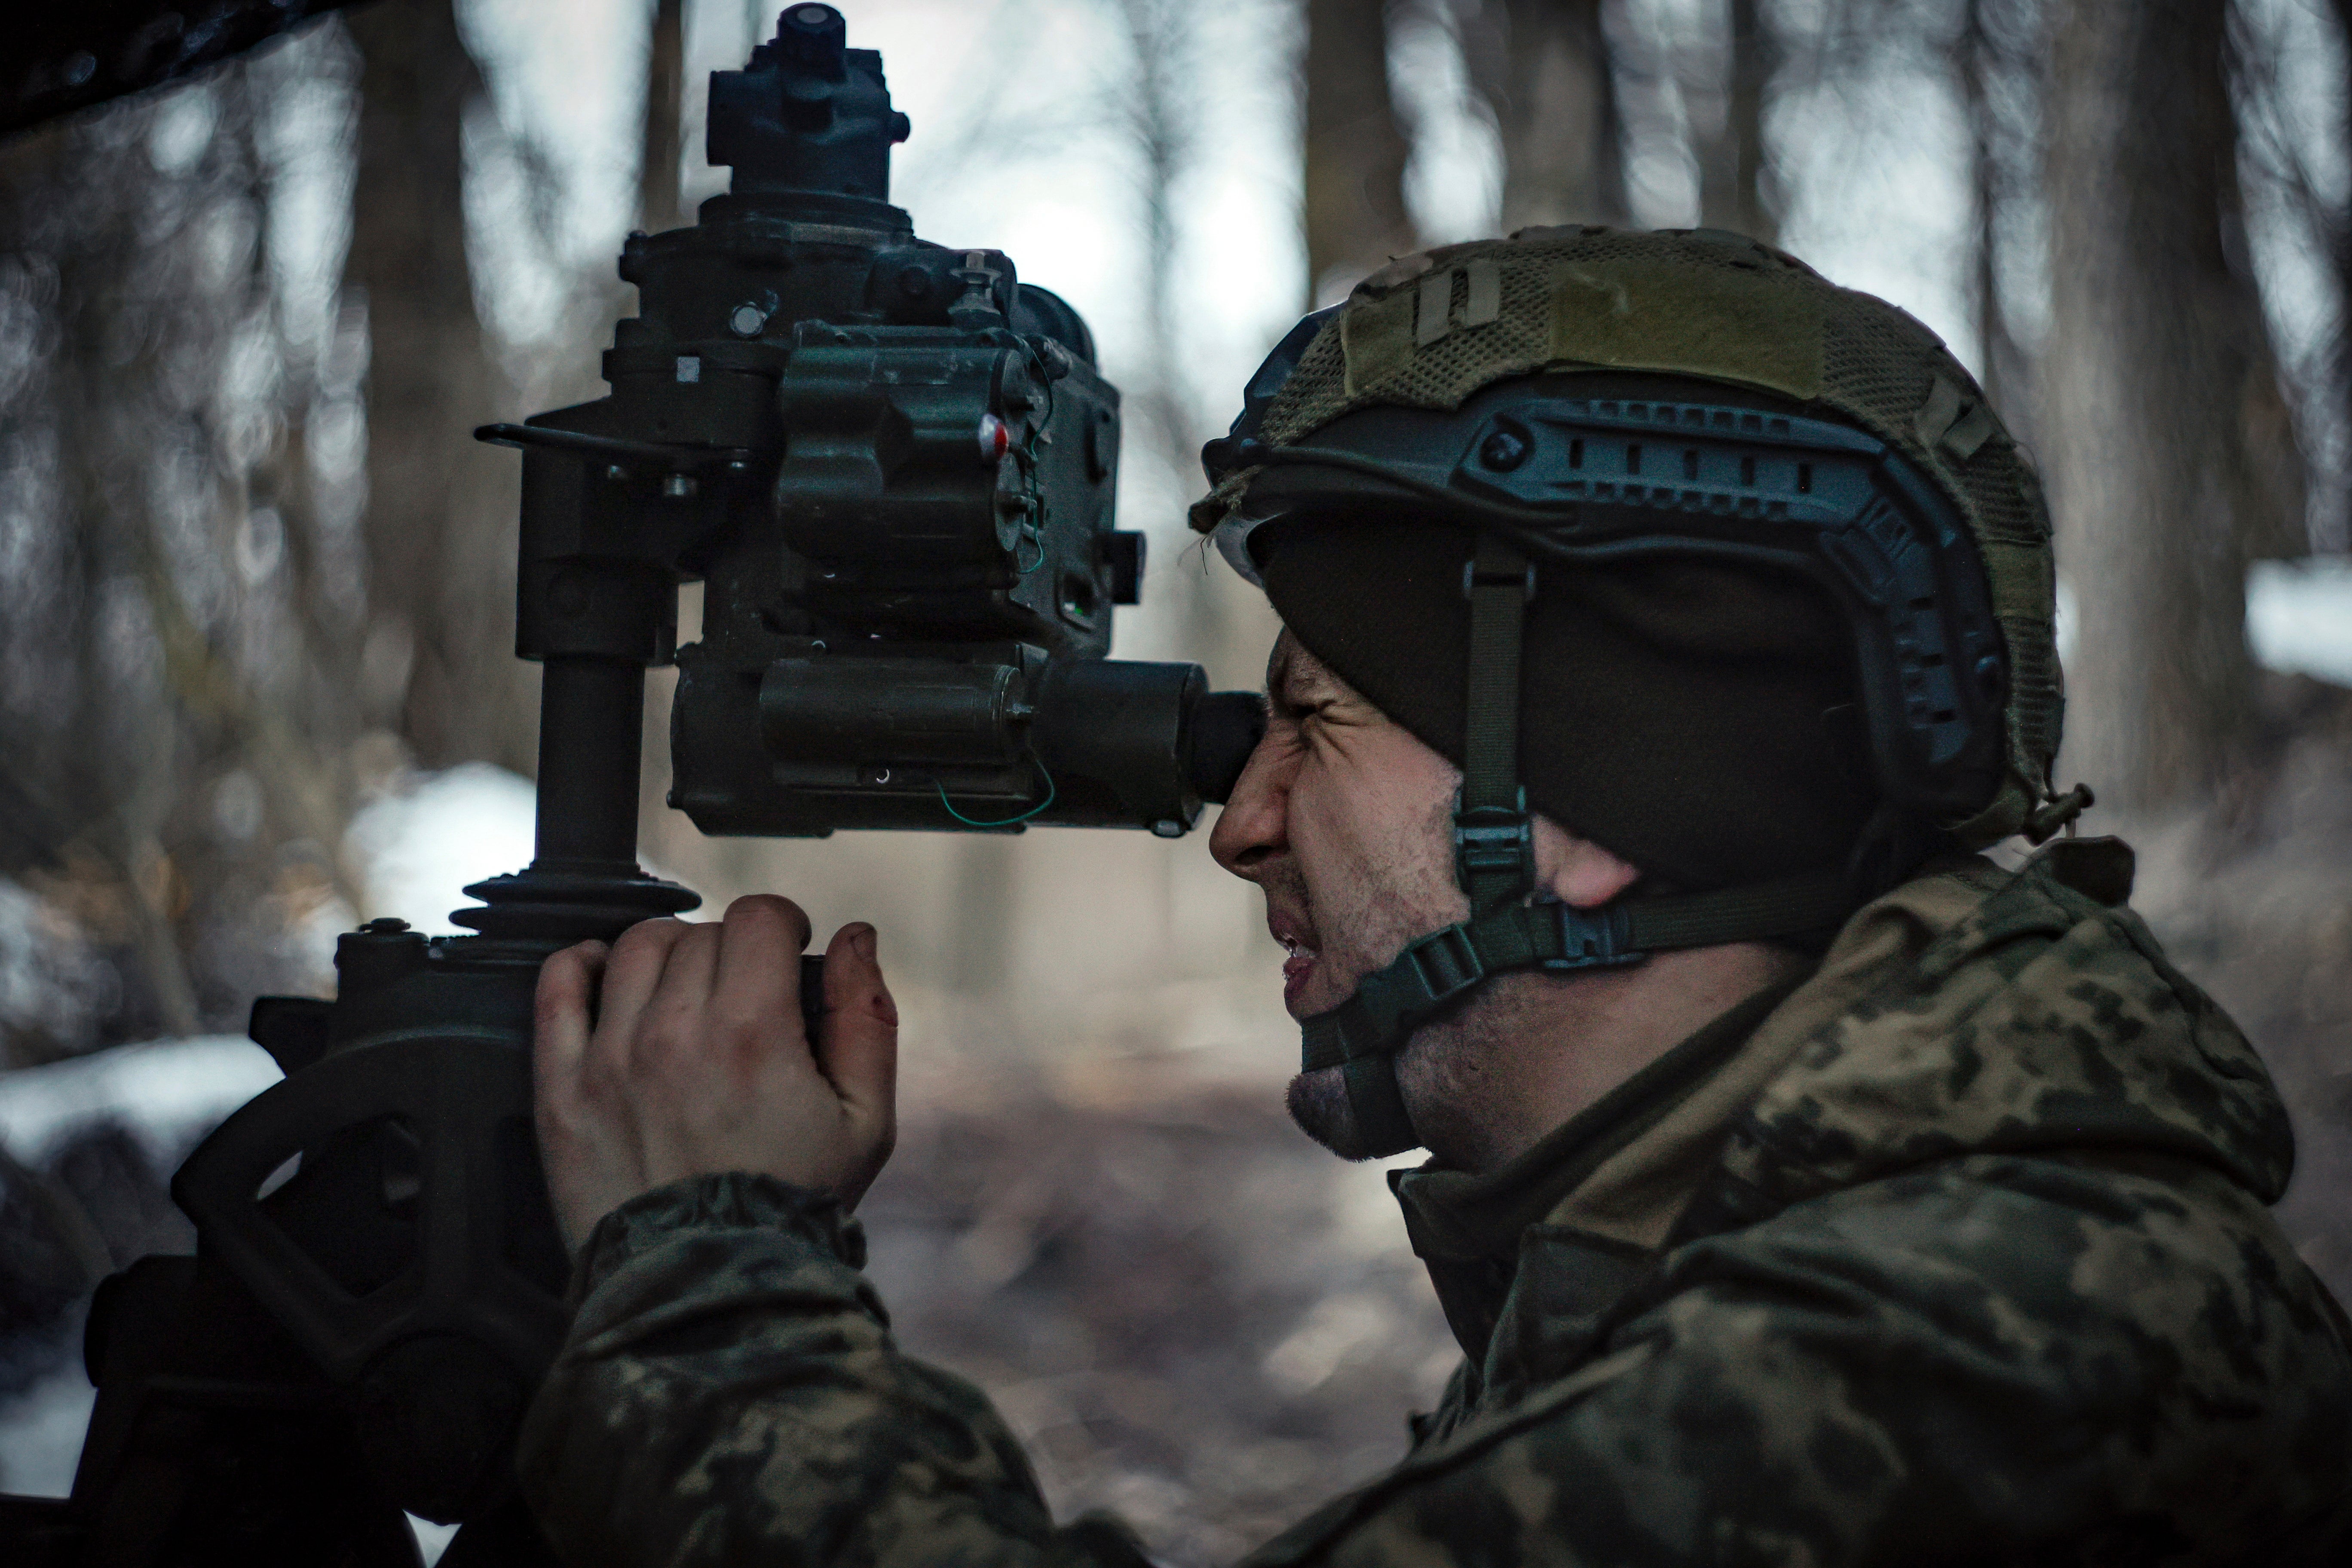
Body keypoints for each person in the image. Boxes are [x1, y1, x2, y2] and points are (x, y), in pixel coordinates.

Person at [516, 227, 2352, 1565]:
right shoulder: (1733, 1237)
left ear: (1593, 812)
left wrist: (710, 1273)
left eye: (1315, 718)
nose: (1241, 822)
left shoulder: (1991, 1339)